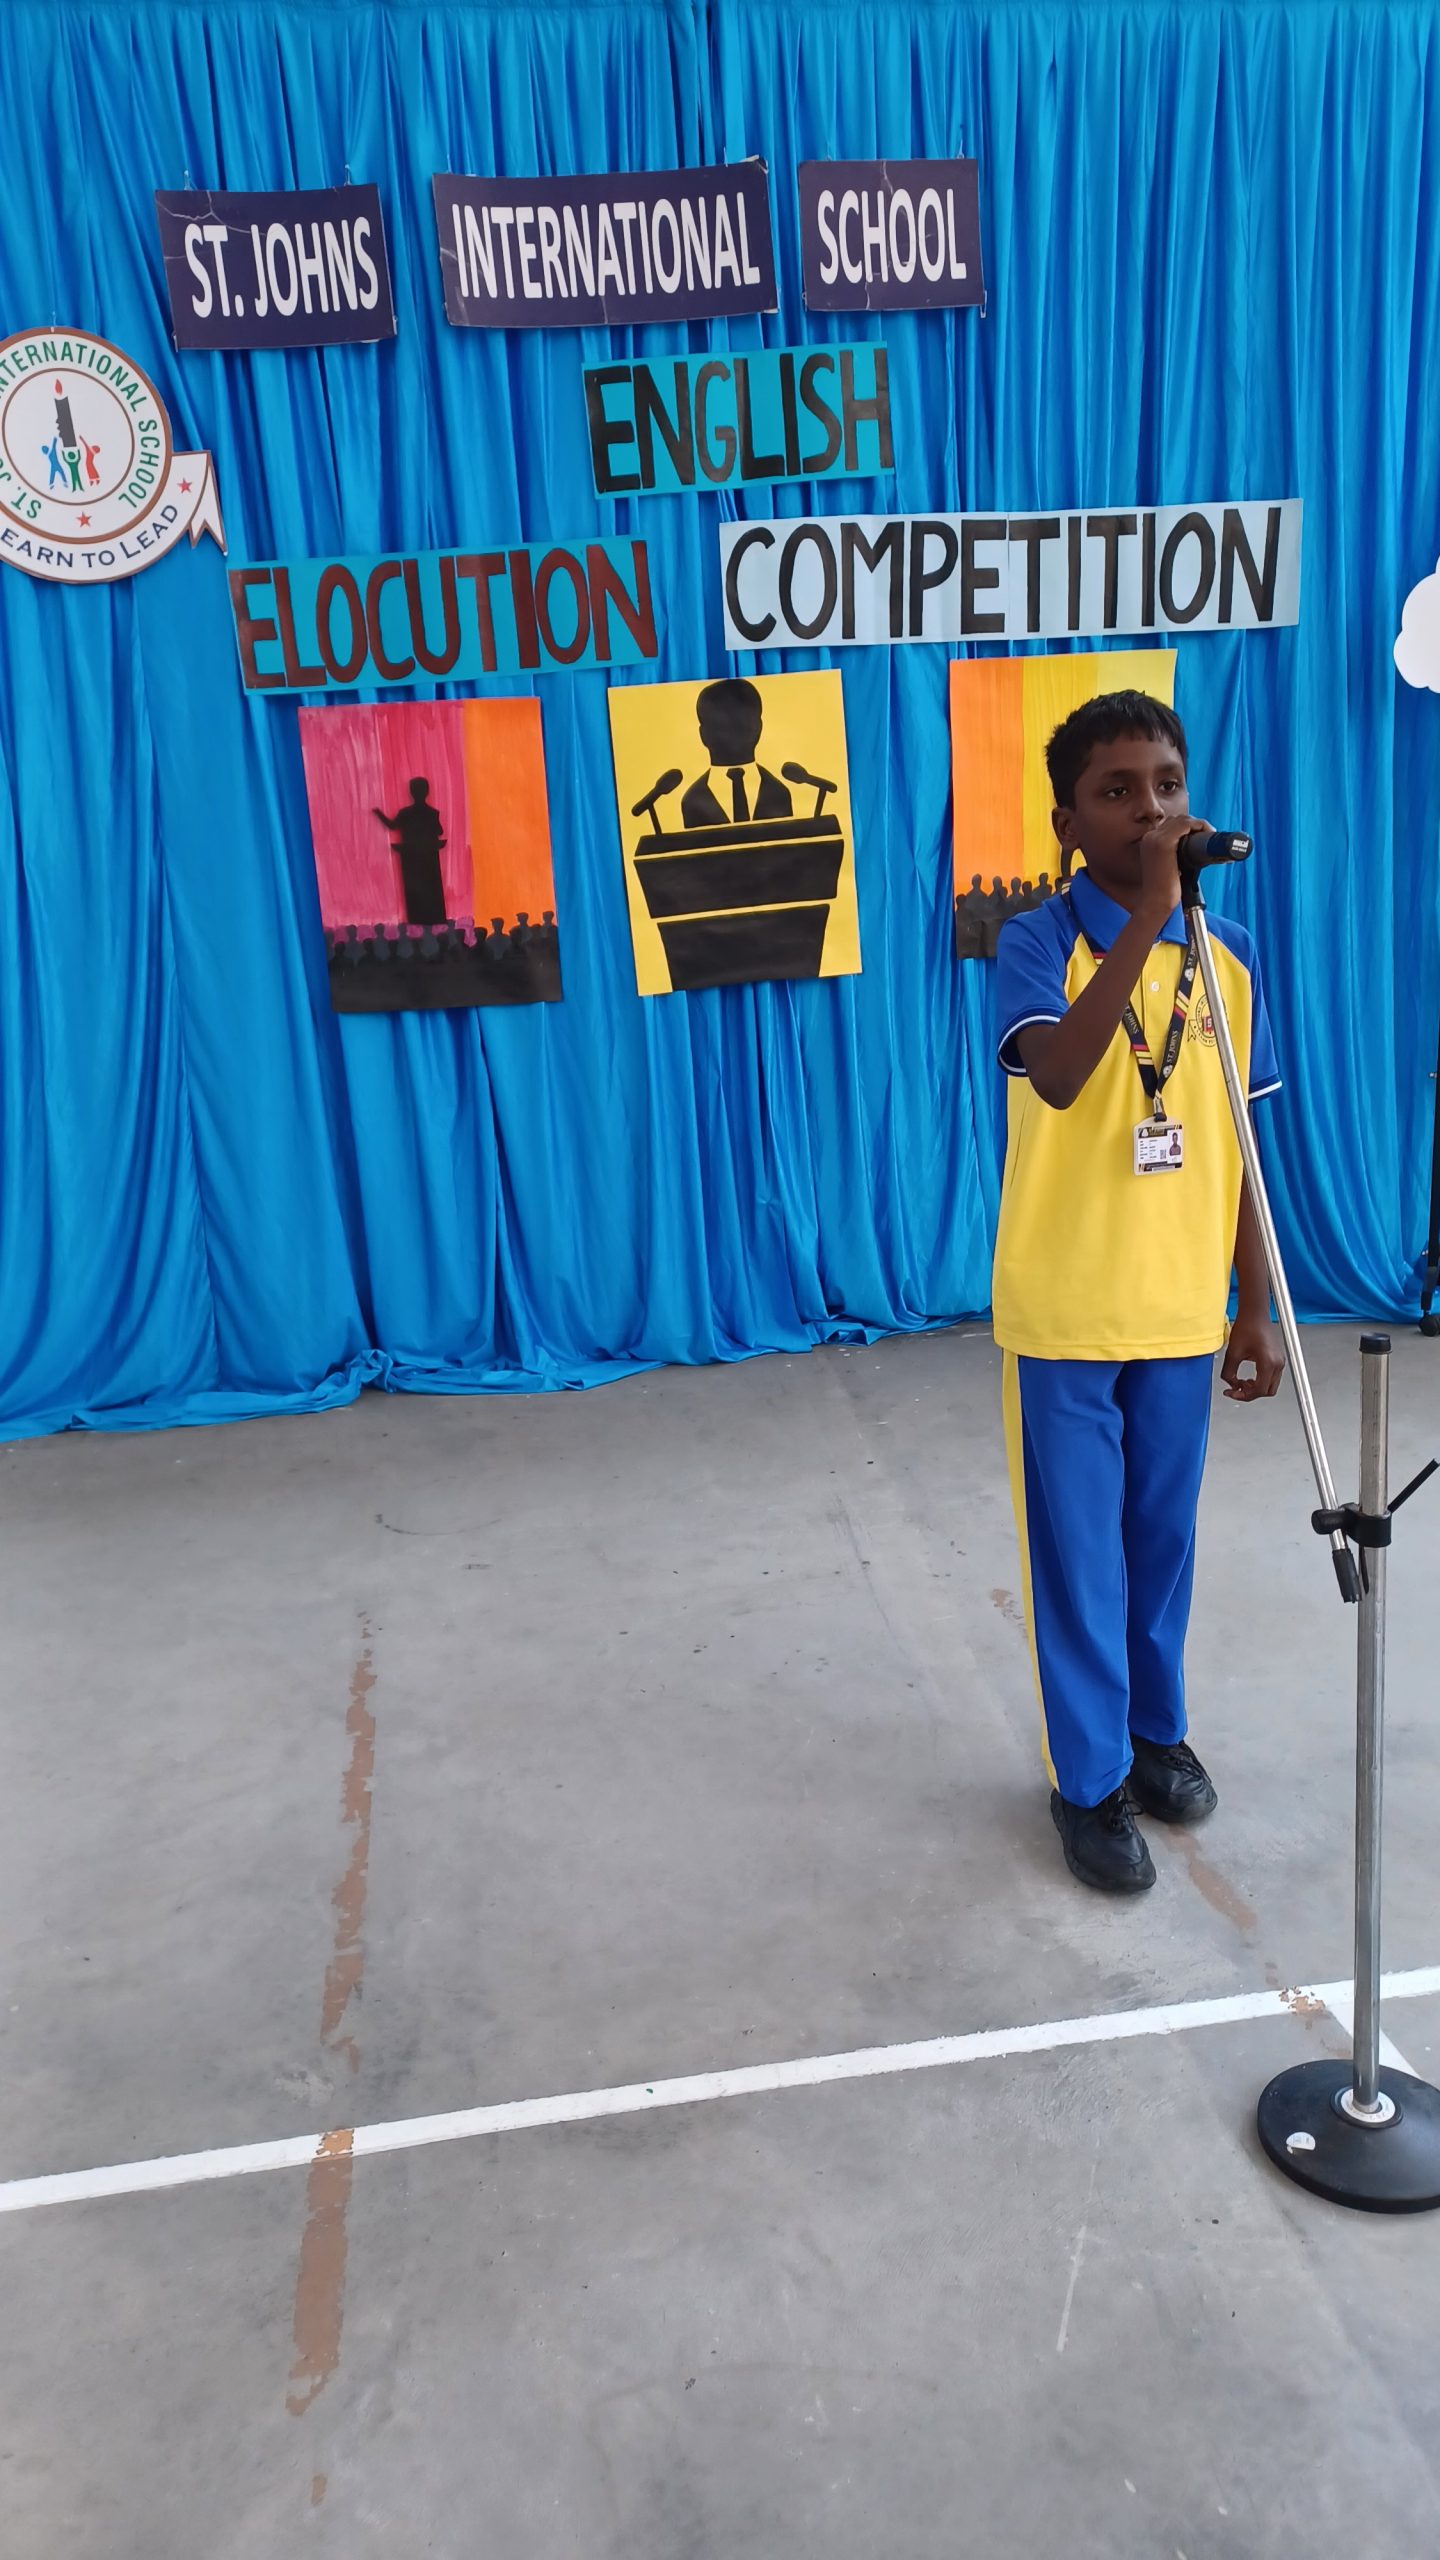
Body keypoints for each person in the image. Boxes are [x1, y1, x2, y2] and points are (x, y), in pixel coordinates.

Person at [991, 691, 1284, 1893]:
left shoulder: (1229, 957)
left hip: (1177, 1310)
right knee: (1081, 1557)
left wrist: (1255, 1305)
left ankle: (1156, 1733)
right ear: (1068, 823)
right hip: (1066, 1309)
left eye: (1166, 783)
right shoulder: (1034, 941)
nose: (1150, 809)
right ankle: (1090, 1779)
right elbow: (1061, 1074)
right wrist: (1152, 913)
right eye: (1116, 791)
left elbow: (1247, 1150)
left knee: (1161, 1544)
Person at [680, 678, 794, 828]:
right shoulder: (692, 801)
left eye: (741, 724)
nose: (732, 734)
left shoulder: (779, 794)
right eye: (721, 726)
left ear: (759, 727)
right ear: (703, 734)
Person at [371, 778, 446, 926]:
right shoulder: (432, 813)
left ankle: (416, 920)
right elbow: (439, 831)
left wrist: (379, 814)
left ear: (411, 792)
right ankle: (435, 919)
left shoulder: (405, 813)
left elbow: (392, 826)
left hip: (410, 856)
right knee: (432, 888)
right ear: (427, 792)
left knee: (413, 889)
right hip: (428, 855)